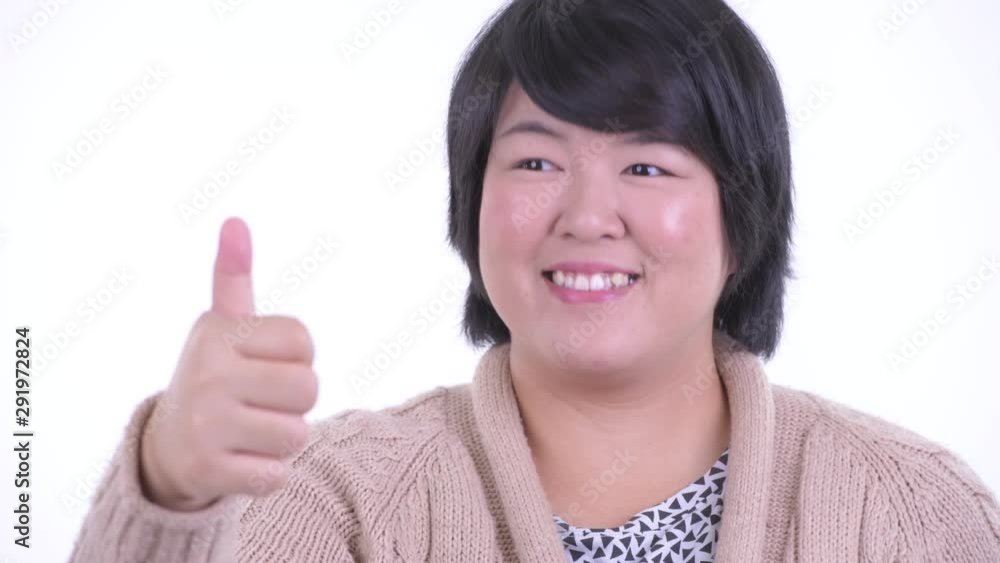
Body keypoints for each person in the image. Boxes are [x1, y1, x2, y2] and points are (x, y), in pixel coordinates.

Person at [70, 0, 1000, 561]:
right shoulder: (339, 506)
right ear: (472, 203)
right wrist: (171, 491)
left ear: (741, 218)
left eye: (648, 165)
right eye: (537, 161)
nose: (587, 215)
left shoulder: (912, 517)